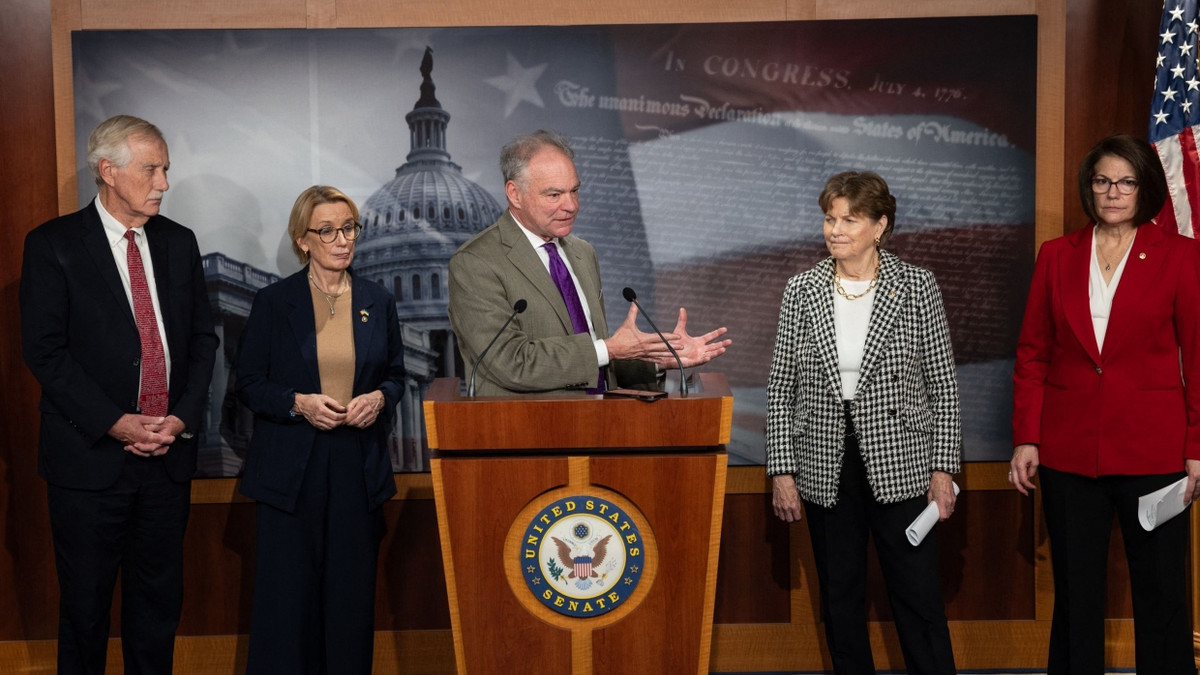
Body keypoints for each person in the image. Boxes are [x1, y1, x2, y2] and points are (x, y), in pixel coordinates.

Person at [19, 114, 219, 674]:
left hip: (166, 458)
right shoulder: (52, 245)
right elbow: (45, 353)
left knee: (158, 608)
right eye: (152, 169)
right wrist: (115, 421)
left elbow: (203, 340)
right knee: (84, 611)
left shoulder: (179, 243)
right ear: (108, 171)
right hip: (89, 460)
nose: (163, 182)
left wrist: (178, 419)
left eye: (166, 169)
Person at [1010, 134, 1200, 674]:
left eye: (1125, 181)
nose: (1113, 192)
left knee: (1162, 597)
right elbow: (1032, 355)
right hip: (1069, 456)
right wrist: (1027, 436)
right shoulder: (1057, 255)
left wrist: (1197, 447)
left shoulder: (1182, 256)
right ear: (1088, 188)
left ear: (1146, 188)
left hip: (1156, 456)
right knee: (1075, 597)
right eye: (1102, 181)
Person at [765, 171, 961, 674]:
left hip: (903, 465)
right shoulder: (801, 290)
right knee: (840, 601)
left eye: (849, 219)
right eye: (830, 218)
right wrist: (781, 472)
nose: (835, 229)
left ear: (879, 225)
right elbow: (781, 386)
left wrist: (943, 470)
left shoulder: (916, 286)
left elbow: (943, 385)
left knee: (917, 598)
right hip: (825, 465)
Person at [235, 185, 406, 674]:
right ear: (303, 240)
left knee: (350, 603)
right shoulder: (274, 301)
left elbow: (396, 375)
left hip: (357, 467)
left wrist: (379, 397)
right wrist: (298, 404)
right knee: (287, 605)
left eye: (348, 228)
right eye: (327, 231)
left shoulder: (378, 300)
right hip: (291, 471)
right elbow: (248, 383)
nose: (341, 240)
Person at [447, 129, 730, 396]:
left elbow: (596, 360)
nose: (571, 206)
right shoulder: (476, 263)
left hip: (598, 431)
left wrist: (658, 360)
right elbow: (511, 362)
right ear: (514, 193)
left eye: (575, 191)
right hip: (527, 436)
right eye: (554, 195)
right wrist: (611, 348)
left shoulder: (583, 253)